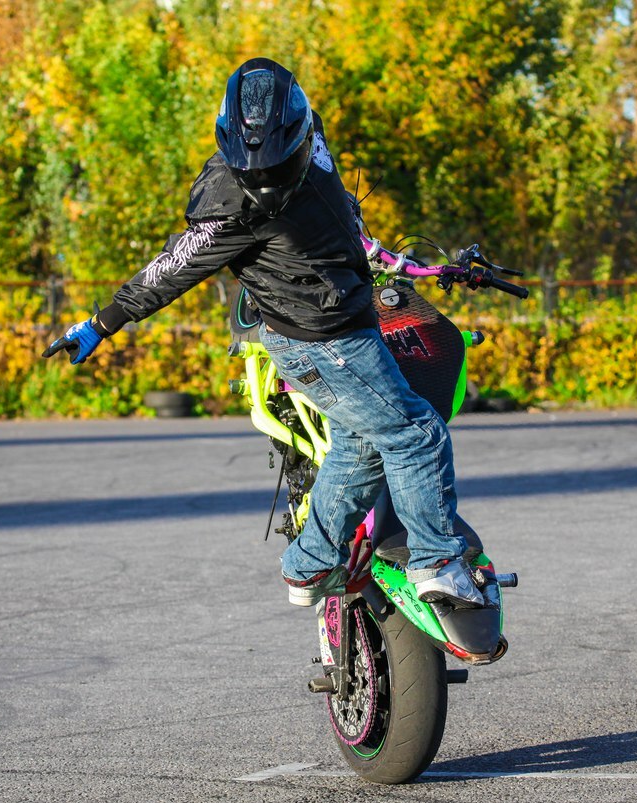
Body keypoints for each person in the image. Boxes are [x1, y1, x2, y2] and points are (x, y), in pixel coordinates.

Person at [44, 57, 484, 610]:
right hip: (327, 343)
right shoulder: (227, 209)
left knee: (360, 442)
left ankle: (308, 566)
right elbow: (170, 269)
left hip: (336, 329)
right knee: (415, 434)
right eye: (252, 173)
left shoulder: (312, 136)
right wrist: (102, 322)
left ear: (299, 134)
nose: (264, 185)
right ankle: (438, 565)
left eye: (275, 170)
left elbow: (335, 203)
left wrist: (362, 244)